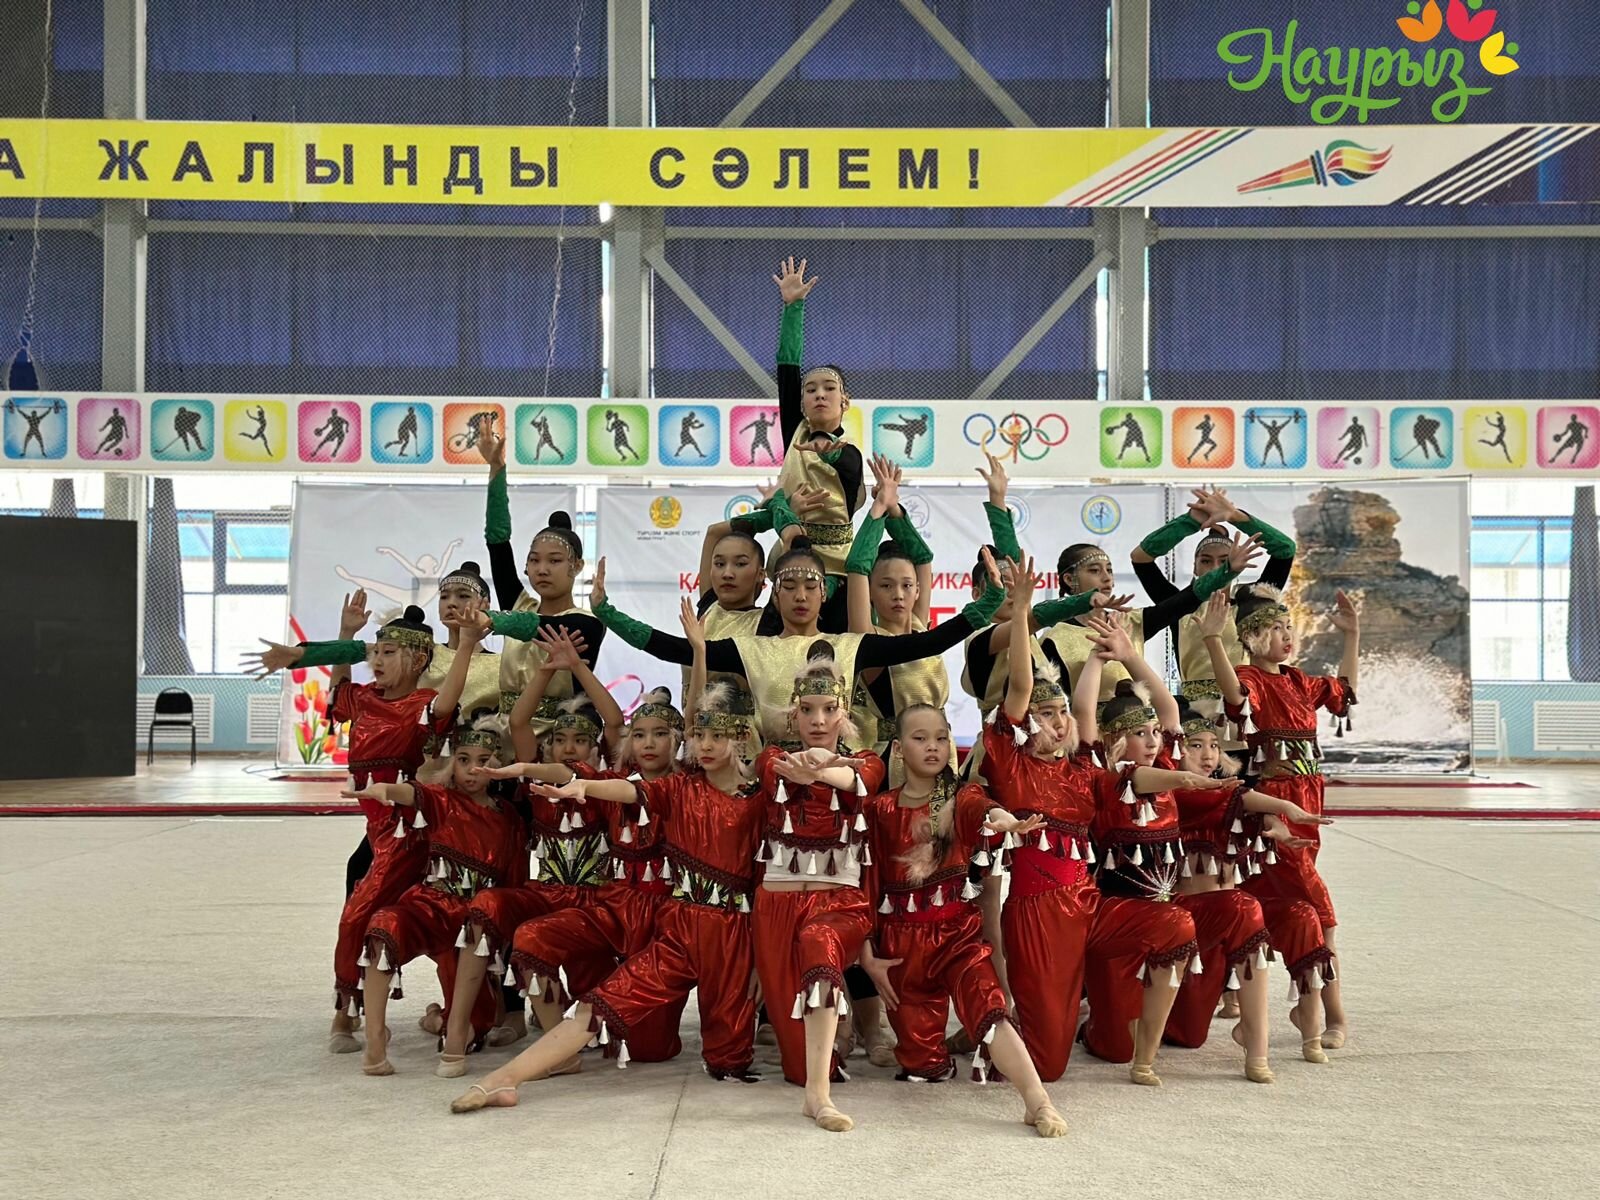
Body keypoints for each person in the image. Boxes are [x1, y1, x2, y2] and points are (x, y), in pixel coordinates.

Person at [449, 678, 768, 1113]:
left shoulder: (760, 800)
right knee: (601, 1005)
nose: (706, 745)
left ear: (741, 737)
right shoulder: (679, 789)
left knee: (727, 1060)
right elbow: (630, 790)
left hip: (733, 936)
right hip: (680, 929)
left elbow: (765, 880)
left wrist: (760, 958)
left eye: (717, 736)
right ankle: (502, 1080)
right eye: (700, 736)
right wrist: (584, 787)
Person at [983, 558, 1213, 1087]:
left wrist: (1181, 780)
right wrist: (1022, 614)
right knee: (1049, 1067)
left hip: (1090, 903)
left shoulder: (1082, 770)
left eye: (1061, 712)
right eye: (1045, 713)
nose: (1058, 720)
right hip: (1040, 915)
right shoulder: (1009, 763)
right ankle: (990, 1022)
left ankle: (1137, 1046)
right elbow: (1019, 688)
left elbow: (1130, 771)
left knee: (1174, 924)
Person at [857, 705, 1067, 1137]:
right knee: (923, 1066)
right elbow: (865, 890)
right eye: (919, 738)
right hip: (900, 948)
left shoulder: (961, 798)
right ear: (898, 748)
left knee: (991, 1008)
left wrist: (1008, 821)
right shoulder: (879, 810)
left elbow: (985, 811)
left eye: (941, 737)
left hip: (958, 934)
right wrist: (867, 957)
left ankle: (1037, 1101)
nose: (932, 747)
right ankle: (934, 1057)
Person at [588, 538, 1002, 754]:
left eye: (810, 586)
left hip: (841, 774)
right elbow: (672, 648)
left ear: (824, 594)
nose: (800, 596)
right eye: (789, 586)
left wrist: (988, 604)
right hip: (770, 774)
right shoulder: (753, 650)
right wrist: (607, 613)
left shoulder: (850, 647)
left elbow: (928, 642)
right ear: (775, 594)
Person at [441, 624, 622, 1056]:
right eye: (560, 740)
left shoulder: (605, 783)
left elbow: (615, 722)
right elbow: (519, 721)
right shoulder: (538, 785)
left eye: (581, 740)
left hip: (594, 904)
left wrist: (578, 667)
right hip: (545, 894)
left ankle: (562, 1030)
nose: (569, 748)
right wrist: (545, 671)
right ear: (547, 748)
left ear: (597, 750)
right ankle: (459, 1028)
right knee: (487, 906)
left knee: (601, 1014)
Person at [1207, 582, 1359, 1056]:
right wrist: (1212, 639)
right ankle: (1333, 1014)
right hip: (1274, 807)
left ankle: (1289, 1008)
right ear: (1251, 638)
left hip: (1308, 803)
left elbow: (1345, 693)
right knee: (1320, 911)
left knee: (1292, 910)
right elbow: (1233, 694)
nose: (1286, 636)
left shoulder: (1298, 681)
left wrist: (1352, 635)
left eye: (1288, 627)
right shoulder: (1251, 678)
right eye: (1274, 629)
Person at [323, 603, 478, 1053]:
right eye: (375, 652)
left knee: (360, 914)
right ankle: (352, 1008)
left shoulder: (420, 704)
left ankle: (350, 1012)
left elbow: (448, 700)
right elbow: (337, 692)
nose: (377, 660)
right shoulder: (363, 698)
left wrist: (466, 646)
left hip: (406, 827)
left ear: (417, 660)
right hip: (376, 828)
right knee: (373, 908)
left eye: (388, 653)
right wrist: (345, 632)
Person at [1159, 682, 1335, 1069]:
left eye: (1213, 745)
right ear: (1174, 751)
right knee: (1188, 1036)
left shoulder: (1228, 791)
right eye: (1195, 745)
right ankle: (1245, 1025)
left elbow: (1243, 803)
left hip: (1238, 922)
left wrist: (1275, 823)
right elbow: (1229, 799)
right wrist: (1285, 807)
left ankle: (1306, 1027)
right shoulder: (1174, 793)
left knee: (1301, 914)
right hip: (1193, 926)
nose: (1208, 754)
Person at [340, 725, 526, 1076]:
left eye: (482, 761)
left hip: (473, 924)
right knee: (384, 925)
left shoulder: (510, 820)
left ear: (497, 766)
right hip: (429, 907)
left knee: (476, 1026)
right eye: (463, 760)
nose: (471, 770)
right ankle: (375, 1041)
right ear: (452, 763)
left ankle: (443, 1022)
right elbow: (411, 793)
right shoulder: (442, 800)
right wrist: (384, 789)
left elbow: (514, 884)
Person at [750, 647, 884, 1132]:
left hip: (838, 902)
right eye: (807, 710)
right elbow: (778, 772)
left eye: (829, 710)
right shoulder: (772, 757)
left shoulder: (867, 762)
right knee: (796, 1061)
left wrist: (820, 772)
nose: (818, 720)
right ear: (794, 714)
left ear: (844, 714)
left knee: (820, 945)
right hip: (775, 906)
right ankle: (817, 1072)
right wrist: (805, 768)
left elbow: (856, 780)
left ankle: (818, 1097)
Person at [477, 434, 606, 748]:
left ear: (577, 566)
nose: (542, 569)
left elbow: (543, 628)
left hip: (558, 745)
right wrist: (496, 471)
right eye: (534, 560)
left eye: (554, 561)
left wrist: (495, 620)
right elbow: (497, 542)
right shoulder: (519, 605)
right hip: (501, 740)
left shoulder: (586, 624)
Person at [1040, 523, 1257, 705]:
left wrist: (1226, 568)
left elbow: (1189, 597)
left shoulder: (1130, 621)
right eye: (1095, 570)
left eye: (1110, 570)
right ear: (1069, 579)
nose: (1107, 578)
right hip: (1087, 736)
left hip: (1143, 737)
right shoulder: (1055, 638)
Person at [1130, 487, 1292, 726]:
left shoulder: (1253, 601)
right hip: (1193, 722)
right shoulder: (1177, 603)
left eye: (1224, 561)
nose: (1216, 568)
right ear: (1194, 567)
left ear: (1239, 562)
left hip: (1248, 714)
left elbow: (1285, 550)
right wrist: (1189, 522)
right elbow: (1140, 559)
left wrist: (1235, 517)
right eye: (1206, 561)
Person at [770, 256, 867, 629]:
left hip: (840, 567)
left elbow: (851, 472)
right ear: (801, 403)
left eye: (829, 388)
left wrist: (830, 453)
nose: (819, 394)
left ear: (845, 402)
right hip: (794, 560)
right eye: (810, 390)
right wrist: (793, 307)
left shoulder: (850, 452)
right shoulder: (796, 432)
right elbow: (787, 366)